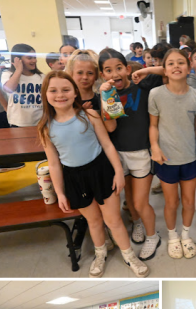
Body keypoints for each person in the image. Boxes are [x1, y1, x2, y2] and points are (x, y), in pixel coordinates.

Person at [38, 71, 147, 277]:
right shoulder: (45, 127)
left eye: (65, 89)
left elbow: (107, 145)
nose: (60, 95)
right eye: (53, 90)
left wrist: (118, 172)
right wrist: (60, 193)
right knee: (94, 221)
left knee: (113, 220)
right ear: (45, 94)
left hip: (101, 171)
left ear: (75, 92)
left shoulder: (90, 115)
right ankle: (100, 254)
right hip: (74, 177)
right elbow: (53, 164)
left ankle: (129, 255)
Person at [100, 49, 162, 259]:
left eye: (118, 68)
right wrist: (107, 96)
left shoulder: (142, 87)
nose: (114, 74)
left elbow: (171, 71)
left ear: (127, 69)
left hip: (141, 152)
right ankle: (137, 223)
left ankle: (153, 236)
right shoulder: (107, 94)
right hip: (118, 154)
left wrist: (147, 70)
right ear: (102, 75)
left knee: (140, 202)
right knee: (129, 199)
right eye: (108, 70)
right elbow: (110, 127)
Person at [149, 48, 196, 260]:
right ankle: (173, 237)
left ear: (188, 67)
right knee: (171, 202)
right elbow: (153, 126)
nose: (176, 67)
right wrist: (155, 146)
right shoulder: (156, 94)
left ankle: (186, 235)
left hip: (190, 158)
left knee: (189, 202)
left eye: (180, 62)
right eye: (170, 63)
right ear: (164, 69)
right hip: (167, 159)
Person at [1, 43, 44, 127]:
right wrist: (18, 70)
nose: (34, 61)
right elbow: (9, 89)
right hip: (18, 122)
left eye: (35, 57)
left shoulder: (42, 77)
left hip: (40, 121)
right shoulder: (7, 74)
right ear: (18, 59)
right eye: (29, 58)